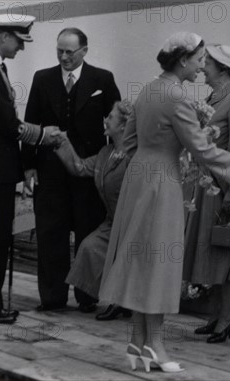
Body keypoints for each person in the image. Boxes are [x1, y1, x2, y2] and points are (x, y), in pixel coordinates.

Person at [98, 32, 230, 373]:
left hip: (139, 180)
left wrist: (165, 148)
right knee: (160, 264)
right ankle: (157, 347)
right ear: (182, 61)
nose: (202, 65)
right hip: (161, 184)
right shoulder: (177, 96)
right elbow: (200, 150)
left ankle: (138, 343)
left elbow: (129, 143)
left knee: (140, 262)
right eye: (199, 59)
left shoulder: (149, 90)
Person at [0, 15, 60, 324]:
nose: (20, 48)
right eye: (18, 41)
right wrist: (44, 135)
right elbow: (7, 124)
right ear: (4, 36)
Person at [22, 28, 121, 313]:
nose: (64, 57)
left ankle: (87, 296)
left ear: (84, 51)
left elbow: (119, 121)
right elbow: (30, 124)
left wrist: (117, 159)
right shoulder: (42, 79)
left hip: (89, 172)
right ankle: (52, 297)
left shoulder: (102, 79)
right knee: (50, 232)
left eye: (70, 52)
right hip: (49, 171)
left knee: (88, 232)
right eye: (59, 51)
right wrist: (28, 166)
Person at [182, 44, 230, 343]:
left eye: (206, 62)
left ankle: (227, 318)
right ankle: (217, 315)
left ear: (223, 68)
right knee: (211, 252)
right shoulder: (212, 99)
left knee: (225, 252)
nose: (201, 67)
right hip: (205, 189)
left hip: (226, 190)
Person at [53, 100, 134, 321]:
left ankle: (122, 302)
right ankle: (111, 299)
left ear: (124, 125)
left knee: (124, 254)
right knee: (90, 246)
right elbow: (78, 168)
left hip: (134, 223)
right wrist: (62, 142)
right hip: (112, 222)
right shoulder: (105, 152)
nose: (105, 120)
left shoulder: (136, 155)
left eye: (110, 117)